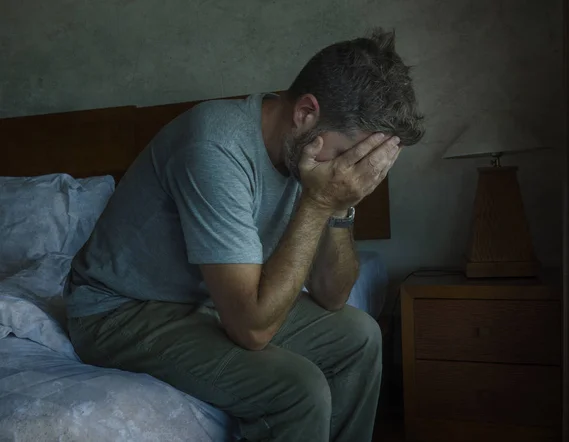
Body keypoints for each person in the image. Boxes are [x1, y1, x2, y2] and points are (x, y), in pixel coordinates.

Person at [65, 28, 424, 442]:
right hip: (119, 310)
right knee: (297, 389)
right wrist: (318, 203)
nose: (349, 171)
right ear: (306, 112)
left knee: (361, 337)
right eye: (349, 155)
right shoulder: (215, 146)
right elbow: (252, 331)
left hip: (208, 297)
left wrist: (340, 206)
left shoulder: (309, 153)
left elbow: (332, 295)